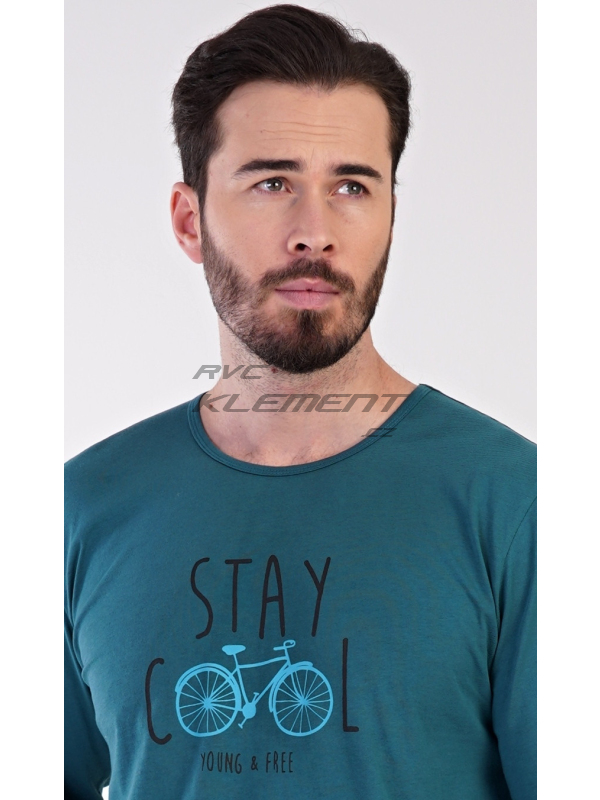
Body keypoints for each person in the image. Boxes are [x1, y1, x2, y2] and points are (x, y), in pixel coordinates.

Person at [64, 5, 536, 799]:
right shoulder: (77, 511)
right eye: (273, 182)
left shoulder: (519, 505)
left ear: (390, 215)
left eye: (351, 186)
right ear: (189, 221)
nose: (314, 232)